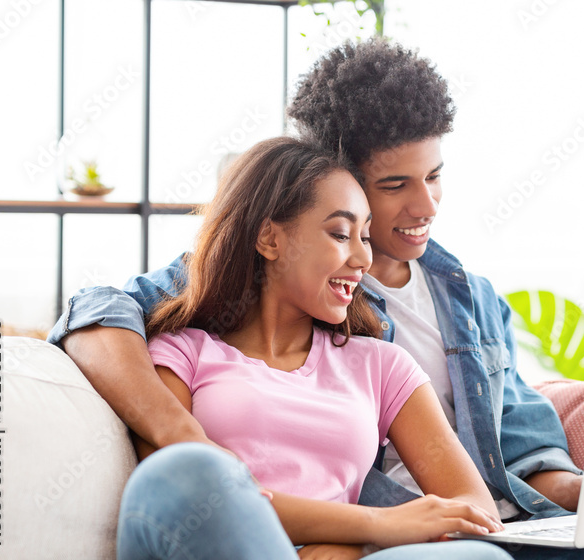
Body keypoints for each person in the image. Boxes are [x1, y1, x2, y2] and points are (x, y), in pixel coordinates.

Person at [48, 39, 584, 560]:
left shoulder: (466, 293)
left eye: (435, 176)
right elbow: (101, 309)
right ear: (336, 179)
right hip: (401, 526)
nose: (426, 204)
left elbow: (524, 442)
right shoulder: (287, 276)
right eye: (396, 185)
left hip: (493, 521)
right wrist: (182, 434)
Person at [113, 136, 513, 559]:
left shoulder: (383, 366)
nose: (362, 257)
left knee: (483, 556)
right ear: (269, 238)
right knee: (187, 469)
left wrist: (350, 547)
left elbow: (475, 511)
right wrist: (372, 526)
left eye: (366, 236)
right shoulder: (182, 353)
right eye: (341, 234)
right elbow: (184, 489)